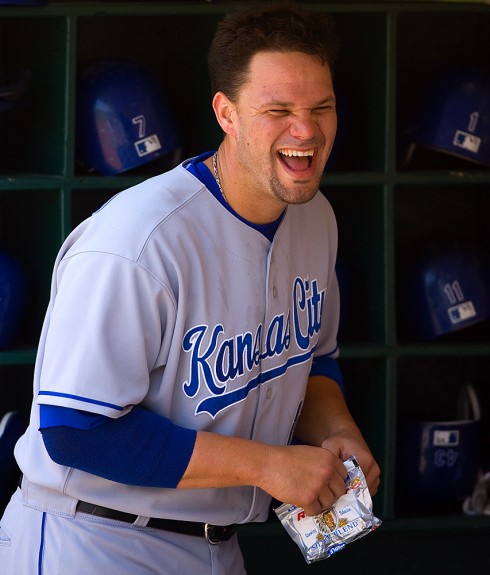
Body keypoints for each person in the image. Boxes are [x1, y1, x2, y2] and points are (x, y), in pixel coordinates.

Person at [0, 2, 380, 574]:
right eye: (278, 110)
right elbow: (76, 433)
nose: (307, 130)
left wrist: (339, 433)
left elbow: (314, 362)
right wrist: (268, 466)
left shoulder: (315, 218)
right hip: (94, 537)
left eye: (321, 107)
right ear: (226, 113)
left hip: (218, 544)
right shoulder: (137, 241)